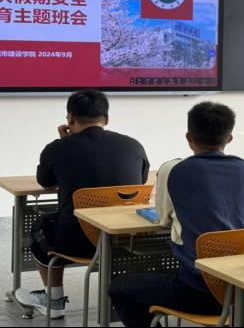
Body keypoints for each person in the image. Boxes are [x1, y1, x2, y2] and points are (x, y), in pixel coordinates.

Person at [108, 102, 244, 327]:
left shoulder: (172, 169)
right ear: (229, 138)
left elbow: (163, 219)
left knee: (119, 287)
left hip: (198, 292)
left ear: (189, 138)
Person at [15, 89, 149, 318]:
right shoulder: (133, 145)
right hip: (124, 240)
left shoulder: (57, 149)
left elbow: (45, 181)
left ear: (70, 119)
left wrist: (64, 142)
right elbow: (142, 181)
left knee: (40, 227)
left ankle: (54, 300)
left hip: (77, 242)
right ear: (106, 119)